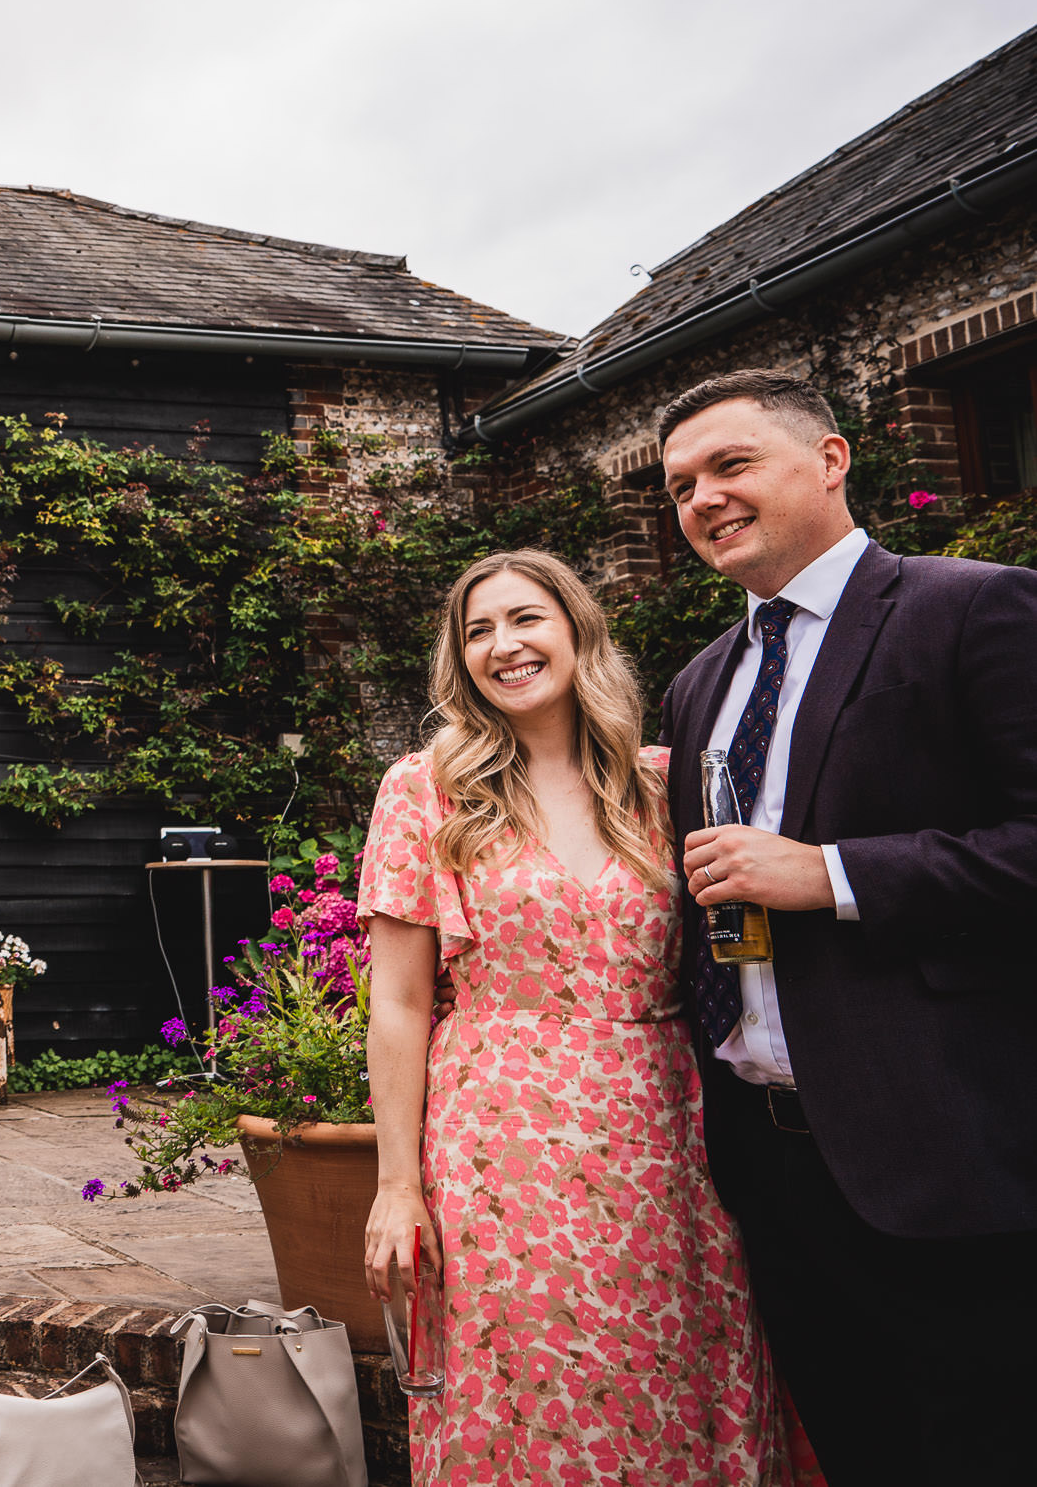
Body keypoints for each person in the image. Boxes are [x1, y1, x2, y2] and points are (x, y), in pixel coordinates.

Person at [655, 368, 1037, 1480]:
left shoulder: (973, 606)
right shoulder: (698, 684)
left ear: (830, 459)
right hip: (767, 1160)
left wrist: (830, 872)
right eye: (679, 486)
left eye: (731, 465)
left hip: (947, 1148)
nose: (702, 499)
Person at [358, 548, 795, 1483]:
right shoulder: (425, 787)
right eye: (478, 631)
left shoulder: (665, 784)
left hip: (669, 1128)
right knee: (525, 1374)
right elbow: (396, 1001)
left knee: (684, 1366)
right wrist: (397, 1184)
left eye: (526, 619)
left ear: (578, 633)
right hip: (499, 1140)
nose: (504, 646)